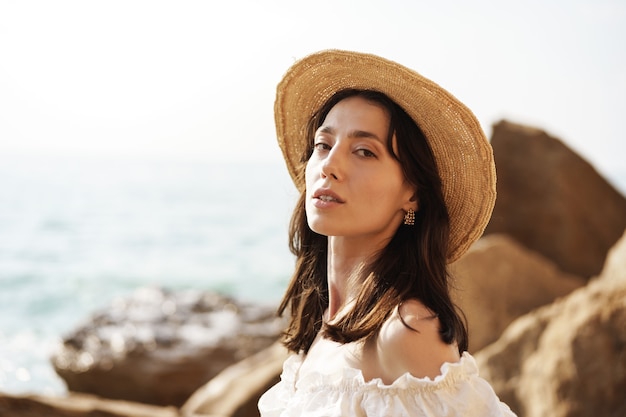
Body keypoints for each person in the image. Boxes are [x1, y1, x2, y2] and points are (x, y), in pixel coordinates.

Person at [258, 49, 516, 416]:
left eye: (364, 151)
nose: (330, 165)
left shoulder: (407, 332)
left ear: (411, 193)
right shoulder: (324, 325)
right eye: (323, 144)